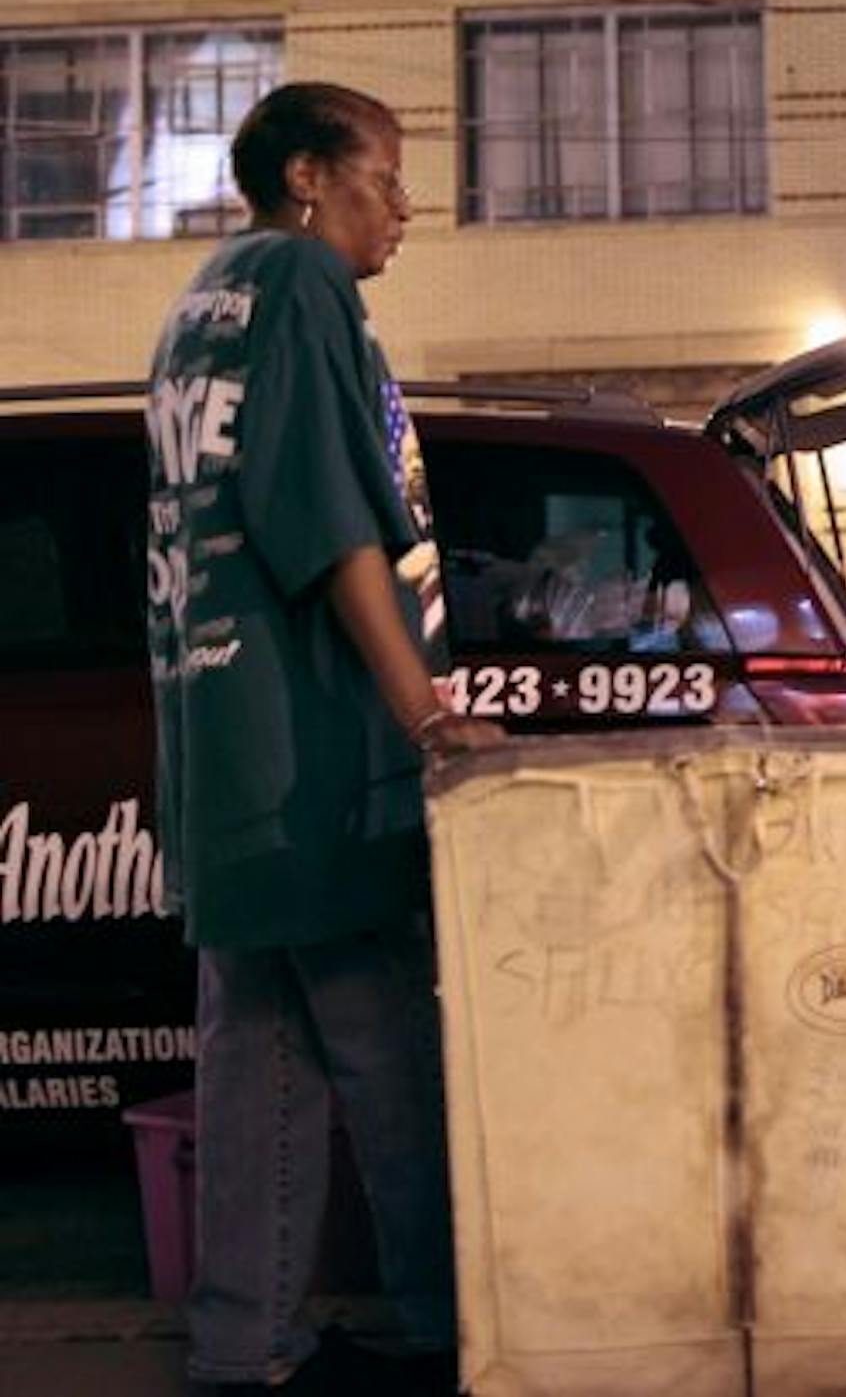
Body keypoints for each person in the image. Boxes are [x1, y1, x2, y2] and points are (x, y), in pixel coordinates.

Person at [144, 81, 505, 1395]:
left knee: (257, 1054)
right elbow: (331, 527)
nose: (405, 207)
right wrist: (424, 708)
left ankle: (244, 1340)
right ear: (310, 175)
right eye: (387, 176)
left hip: (223, 754)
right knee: (390, 1040)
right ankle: (442, 1322)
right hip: (313, 756)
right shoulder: (301, 282)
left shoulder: (201, 301)